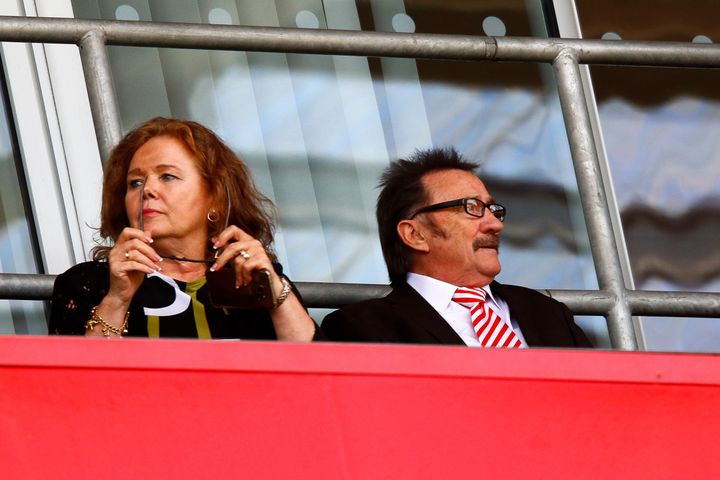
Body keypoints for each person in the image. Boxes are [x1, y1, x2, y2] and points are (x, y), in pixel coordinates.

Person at [50, 117, 320, 341]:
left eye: (167, 176)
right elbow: (74, 389)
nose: (148, 190)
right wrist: (117, 300)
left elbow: (321, 381)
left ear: (213, 197)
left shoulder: (248, 278)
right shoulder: (91, 284)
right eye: (135, 183)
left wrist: (274, 289)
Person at [322, 147, 592, 348]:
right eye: (471, 208)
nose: (495, 225)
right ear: (415, 234)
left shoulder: (547, 313)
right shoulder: (364, 328)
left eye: (492, 210)